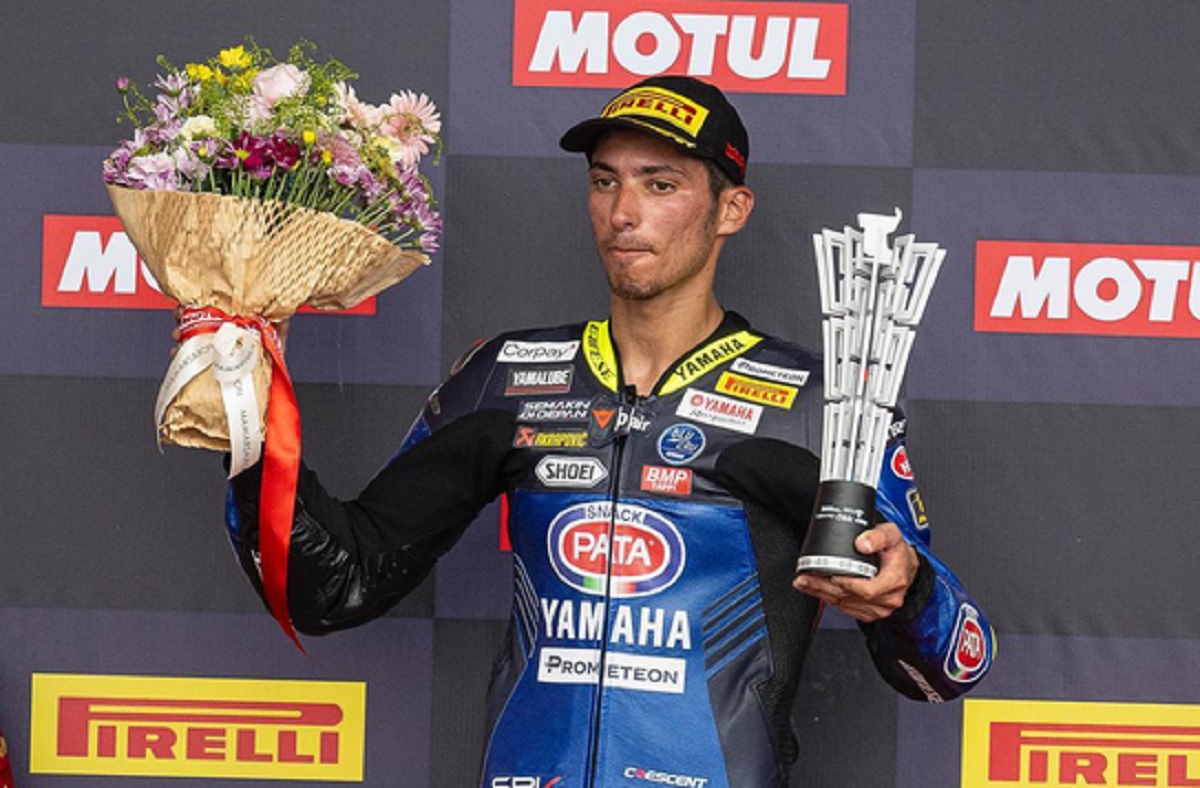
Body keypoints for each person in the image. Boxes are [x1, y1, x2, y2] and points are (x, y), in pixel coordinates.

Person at [224, 75, 995, 787]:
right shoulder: (507, 377)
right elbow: (336, 584)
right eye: (605, 182)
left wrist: (910, 593)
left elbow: (951, 666)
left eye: (661, 185)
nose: (624, 213)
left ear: (731, 210)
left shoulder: (817, 404)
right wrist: (246, 415)